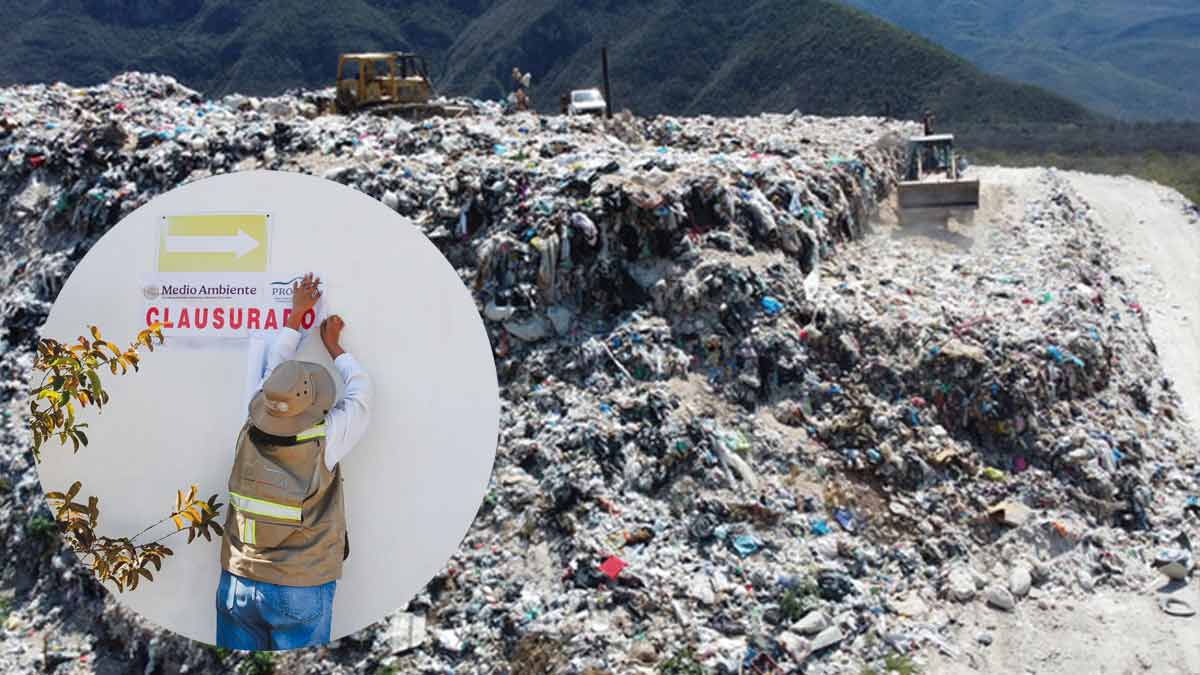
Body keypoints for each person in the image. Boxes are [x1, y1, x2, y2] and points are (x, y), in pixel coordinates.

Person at [216, 273, 373, 650]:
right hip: (298, 586)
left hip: (238, 580)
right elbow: (362, 395)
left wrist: (294, 317)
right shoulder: (326, 439)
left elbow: (274, 372)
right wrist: (334, 348)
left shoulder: (251, 420)